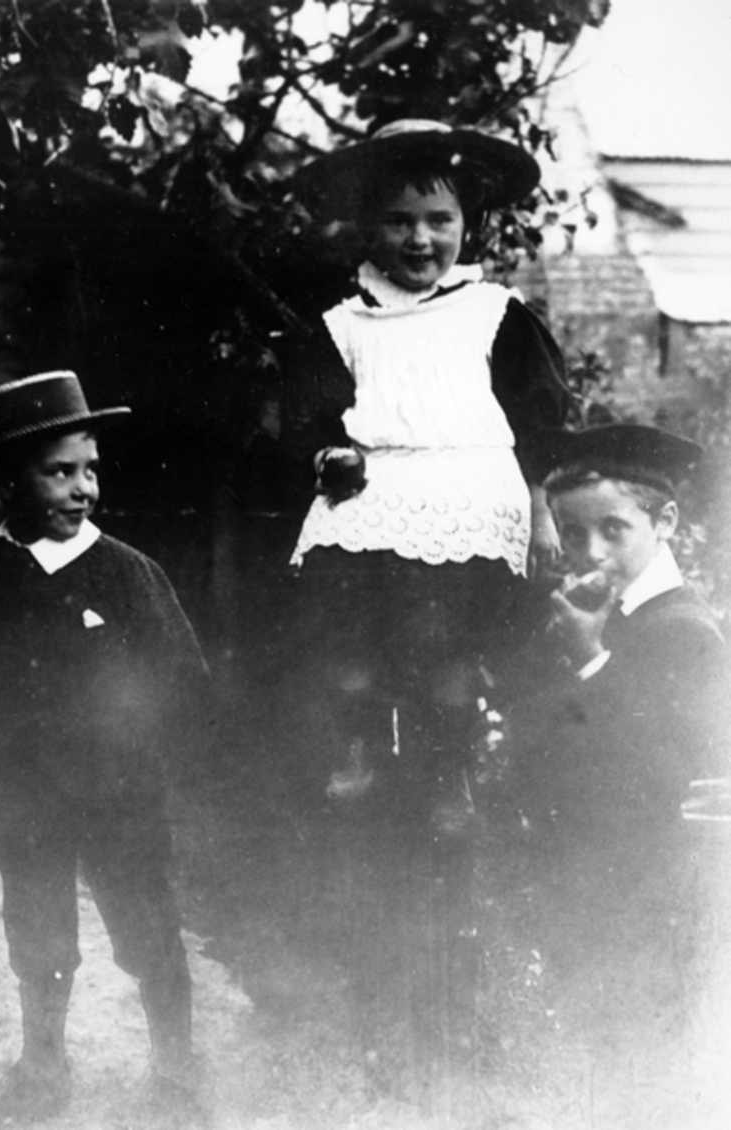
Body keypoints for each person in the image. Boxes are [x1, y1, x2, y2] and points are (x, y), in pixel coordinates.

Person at [281, 118, 569, 809]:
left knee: (441, 646)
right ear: (367, 226)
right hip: (372, 493)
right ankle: (358, 743)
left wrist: (541, 507)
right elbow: (308, 418)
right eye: (398, 220)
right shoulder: (344, 324)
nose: (419, 239)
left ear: (467, 224)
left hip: (468, 497)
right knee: (345, 638)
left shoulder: (494, 313)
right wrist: (329, 453)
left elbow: (539, 417)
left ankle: (449, 769)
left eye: (439, 219)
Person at [0, 372, 212, 1125]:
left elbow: (185, 681)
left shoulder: (128, 574)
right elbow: (6, 676)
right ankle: (44, 1066)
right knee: (38, 930)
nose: (82, 489)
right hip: (31, 785)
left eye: (90, 469)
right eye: (59, 471)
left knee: (146, 922)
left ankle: (176, 1067)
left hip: (119, 786)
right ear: (9, 481)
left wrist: (140, 745)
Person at [489, 423, 730, 1084]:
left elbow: (657, 774)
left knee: (641, 1071)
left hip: (652, 904)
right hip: (591, 893)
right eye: (571, 535)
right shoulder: (600, 616)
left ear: (665, 522)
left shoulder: (686, 632)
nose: (589, 552)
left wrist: (592, 661)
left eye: (613, 530)